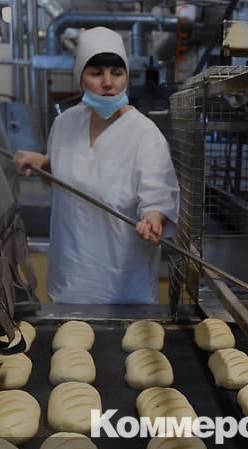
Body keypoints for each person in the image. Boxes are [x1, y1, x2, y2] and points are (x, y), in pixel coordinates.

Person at [14, 27, 179, 304]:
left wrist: (153, 219)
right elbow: (69, 174)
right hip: (68, 280)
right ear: (80, 77)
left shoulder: (144, 134)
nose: (108, 83)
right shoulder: (65, 124)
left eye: (117, 73)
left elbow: (159, 196)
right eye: (96, 73)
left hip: (122, 289)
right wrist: (43, 163)